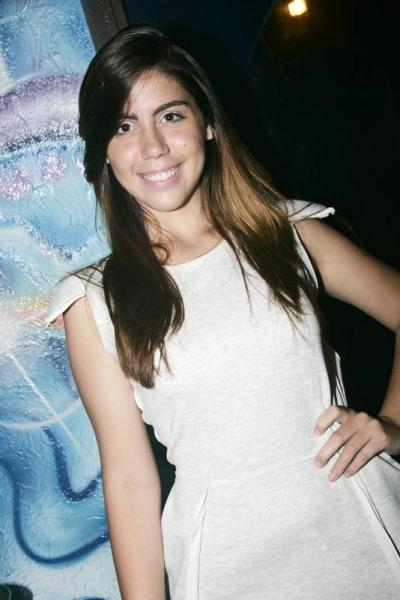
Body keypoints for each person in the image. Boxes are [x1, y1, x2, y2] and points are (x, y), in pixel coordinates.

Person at [44, 24, 400, 600]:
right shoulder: (93, 301)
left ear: (207, 122)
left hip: (365, 534)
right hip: (226, 569)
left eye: (171, 116)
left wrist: (393, 423)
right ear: (103, 149)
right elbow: (131, 482)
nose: (153, 147)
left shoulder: (287, 234)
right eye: (124, 126)